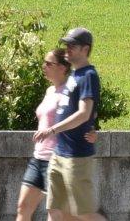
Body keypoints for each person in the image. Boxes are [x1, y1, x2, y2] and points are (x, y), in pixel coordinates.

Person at [17, 46, 95, 221]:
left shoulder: (70, 90)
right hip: (38, 158)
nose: (44, 66)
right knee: (23, 208)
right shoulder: (50, 91)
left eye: (48, 63)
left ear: (62, 67)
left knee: (59, 216)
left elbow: (85, 115)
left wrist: (92, 131)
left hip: (57, 159)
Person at [34, 28, 104, 221]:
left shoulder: (88, 75)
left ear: (85, 49)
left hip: (76, 156)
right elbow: (88, 112)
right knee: (56, 211)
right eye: (67, 44)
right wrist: (92, 126)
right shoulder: (74, 75)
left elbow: (84, 113)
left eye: (72, 45)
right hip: (59, 152)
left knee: (84, 214)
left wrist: (52, 130)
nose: (68, 48)